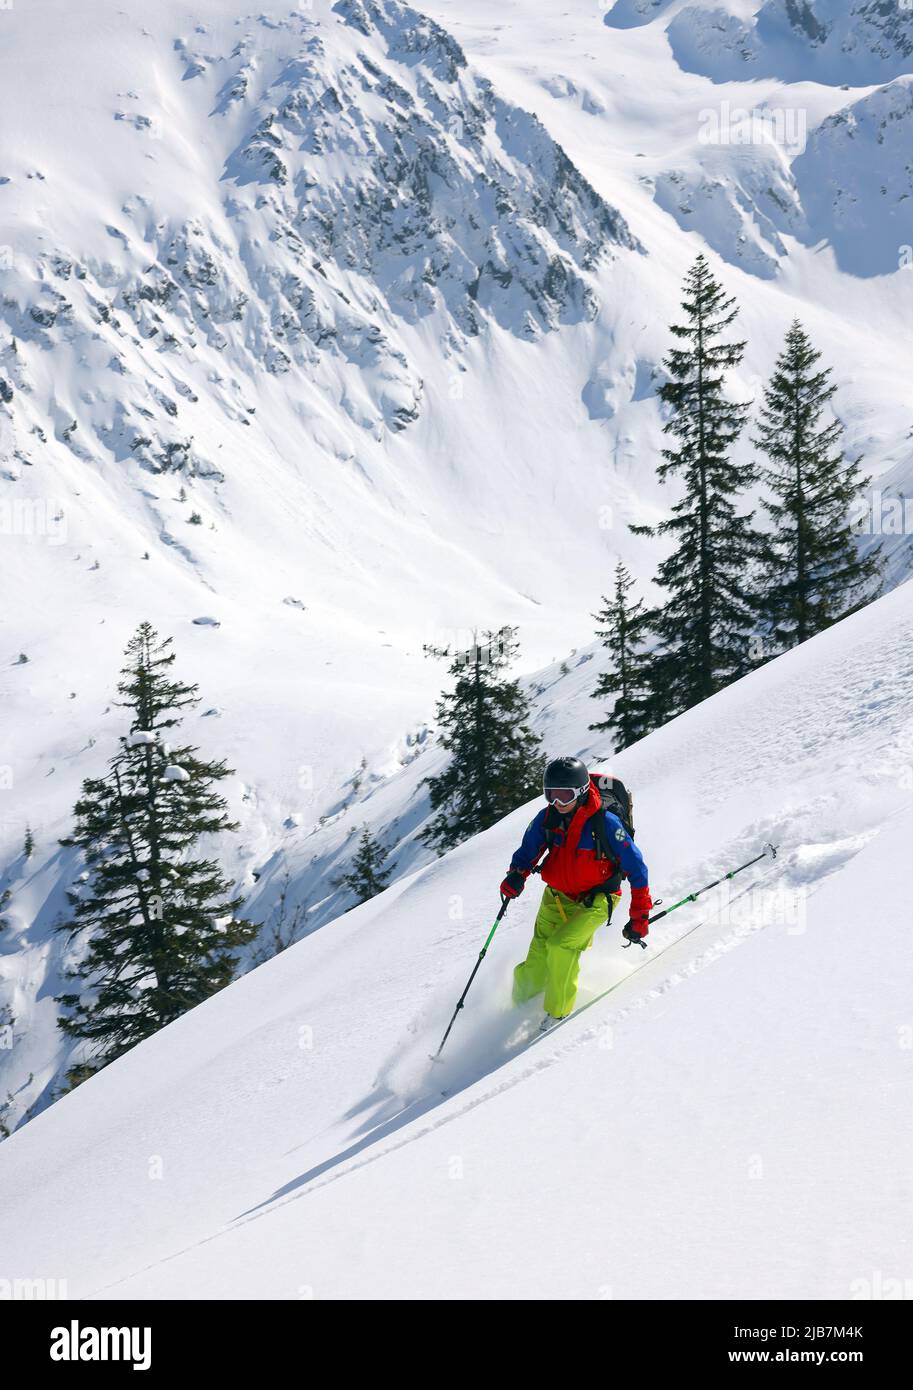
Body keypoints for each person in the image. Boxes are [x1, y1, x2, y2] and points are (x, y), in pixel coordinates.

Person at [501, 756, 652, 1030]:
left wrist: (639, 916)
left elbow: (637, 869)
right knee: (536, 963)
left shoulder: (605, 824)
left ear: (581, 792)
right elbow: (526, 853)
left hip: (596, 900)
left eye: (564, 795)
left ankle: (557, 1016)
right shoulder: (547, 818)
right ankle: (515, 1012)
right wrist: (515, 875)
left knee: (561, 947)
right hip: (556, 896)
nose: (557, 803)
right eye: (550, 795)